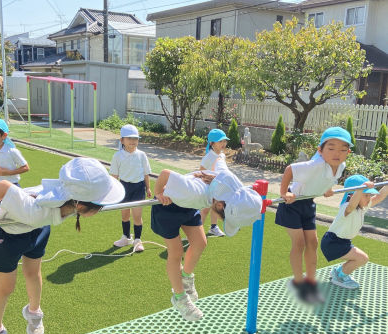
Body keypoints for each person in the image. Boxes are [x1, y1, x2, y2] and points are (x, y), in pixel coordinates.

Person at [0, 157, 125, 334]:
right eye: (99, 205)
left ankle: (33, 312)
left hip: (38, 229)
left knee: (33, 273)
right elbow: (3, 186)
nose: (101, 209)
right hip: (10, 235)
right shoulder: (34, 210)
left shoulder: (68, 202)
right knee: (6, 287)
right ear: (79, 205)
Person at [152, 167, 262, 321]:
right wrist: (159, 193)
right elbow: (164, 173)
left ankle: (185, 279)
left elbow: (220, 164)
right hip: (167, 207)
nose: (223, 220)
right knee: (176, 252)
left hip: (189, 207)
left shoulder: (229, 189)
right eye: (225, 218)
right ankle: (179, 298)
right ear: (219, 206)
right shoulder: (192, 191)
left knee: (200, 243)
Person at [275, 127, 352, 304]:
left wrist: (328, 189)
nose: (336, 153)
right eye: (331, 148)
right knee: (299, 242)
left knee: (313, 242)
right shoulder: (315, 164)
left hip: (309, 202)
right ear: (320, 150)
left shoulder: (340, 166)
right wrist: (283, 193)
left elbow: (327, 180)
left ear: (348, 152)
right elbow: (289, 170)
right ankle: (299, 281)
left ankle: (310, 281)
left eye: (342, 149)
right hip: (292, 203)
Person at [321, 175, 387, 289]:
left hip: (343, 242)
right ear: (352, 195)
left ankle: (339, 272)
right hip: (333, 242)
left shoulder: (362, 207)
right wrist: (360, 189)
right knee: (362, 258)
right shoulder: (346, 207)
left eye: (369, 195)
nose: (369, 198)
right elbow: (352, 204)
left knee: (361, 258)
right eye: (366, 195)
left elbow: (379, 197)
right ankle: (339, 277)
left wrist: (386, 185)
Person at [110, 124, 151, 252]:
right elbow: (114, 176)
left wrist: (148, 188)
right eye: (129, 138)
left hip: (138, 187)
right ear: (122, 140)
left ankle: (137, 240)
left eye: (136, 139)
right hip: (123, 187)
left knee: (137, 216)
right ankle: (126, 237)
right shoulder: (117, 156)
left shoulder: (142, 155)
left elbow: (146, 173)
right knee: (125, 215)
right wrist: (112, 192)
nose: (133, 141)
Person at [199, 129, 229, 237]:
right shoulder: (208, 157)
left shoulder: (222, 155)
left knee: (216, 208)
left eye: (224, 141)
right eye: (220, 141)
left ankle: (213, 227)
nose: (223, 144)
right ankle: (198, 231)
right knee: (205, 210)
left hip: (218, 187)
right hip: (208, 187)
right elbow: (201, 172)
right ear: (212, 143)